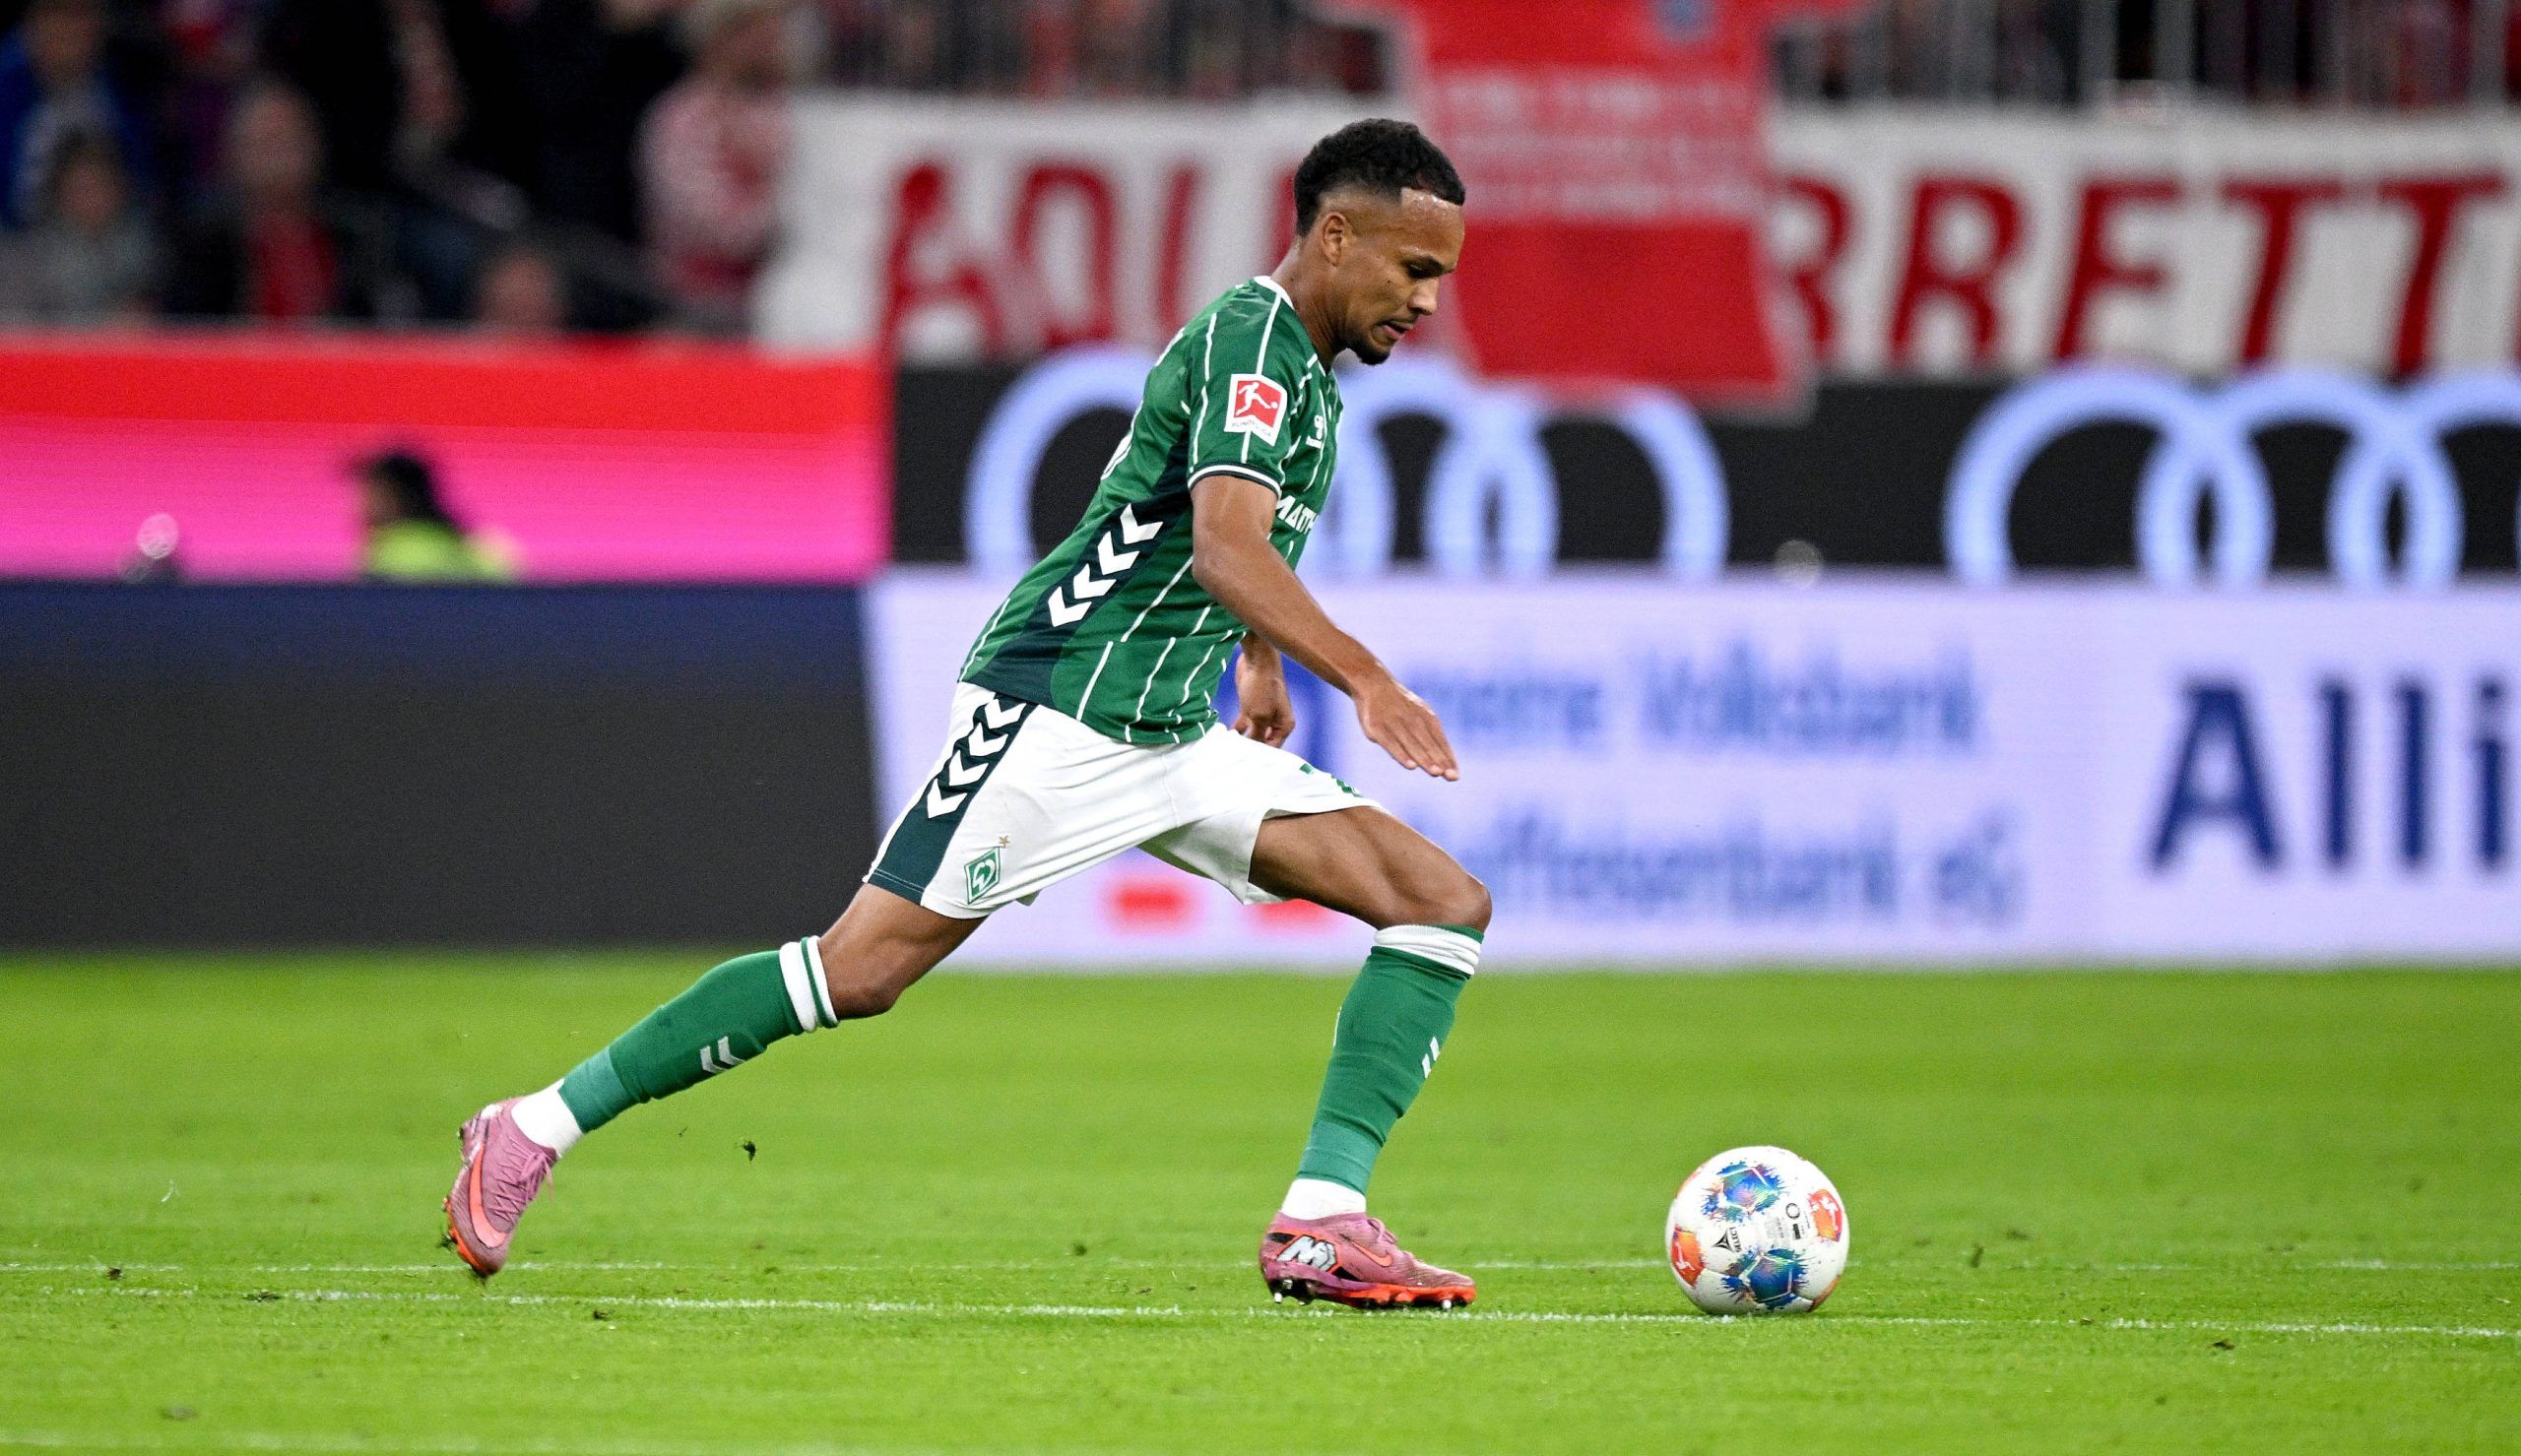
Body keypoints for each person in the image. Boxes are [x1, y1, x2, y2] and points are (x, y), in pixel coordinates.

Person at [444, 119, 1482, 1311]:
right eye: (1415, 268)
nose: (1427, 301)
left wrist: (1260, 664)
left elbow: (1242, 532)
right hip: (1058, 704)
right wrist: (1363, 677)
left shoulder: (1308, 375)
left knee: (1437, 903)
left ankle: (1321, 1220)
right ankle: (532, 1125)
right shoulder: (1250, 342)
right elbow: (1224, 545)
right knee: (859, 972)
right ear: (1336, 236)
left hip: (1163, 730)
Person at [354, 450, 516, 582]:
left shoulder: (390, 553)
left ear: (393, 497)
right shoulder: (482, 548)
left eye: (369, 492)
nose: (359, 504)